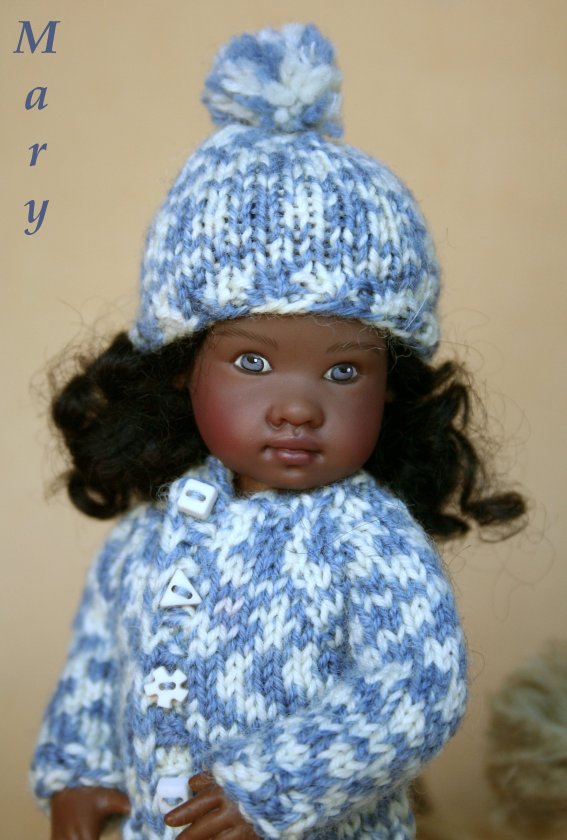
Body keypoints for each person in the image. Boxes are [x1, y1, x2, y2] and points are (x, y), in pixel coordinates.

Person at [30, 24, 525, 840]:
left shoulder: (365, 536)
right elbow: (96, 663)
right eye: (253, 362)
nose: (297, 407)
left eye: (343, 372)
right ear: (183, 368)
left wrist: (270, 789)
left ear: (392, 386)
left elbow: (411, 688)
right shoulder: (145, 536)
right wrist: (77, 772)